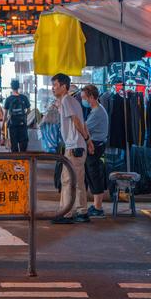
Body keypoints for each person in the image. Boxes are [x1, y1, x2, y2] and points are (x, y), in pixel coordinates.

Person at [51, 73, 92, 224]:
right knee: (78, 180)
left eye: (55, 85)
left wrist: (87, 139)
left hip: (73, 146)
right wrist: (88, 141)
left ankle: (66, 213)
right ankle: (82, 211)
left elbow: (76, 121)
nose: (53, 88)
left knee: (67, 180)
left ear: (63, 86)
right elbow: (82, 122)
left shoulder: (67, 100)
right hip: (79, 145)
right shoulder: (74, 102)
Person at [81, 85, 109, 218]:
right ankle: (96, 205)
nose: (83, 100)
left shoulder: (97, 112)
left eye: (84, 98)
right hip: (96, 144)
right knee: (92, 175)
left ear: (91, 97)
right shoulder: (96, 110)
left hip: (95, 146)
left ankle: (98, 208)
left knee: (94, 175)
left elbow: (84, 128)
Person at [4, 79, 31, 152]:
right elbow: (29, 111)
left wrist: (4, 125)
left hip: (13, 125)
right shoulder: (24, 98)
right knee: (23, 144)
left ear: (11, 87)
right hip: (22, 124)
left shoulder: (8, 99)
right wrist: (24, 117)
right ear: (18, 87)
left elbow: (5, 114)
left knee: (14, 144)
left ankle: (16, 161)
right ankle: (23, 161)